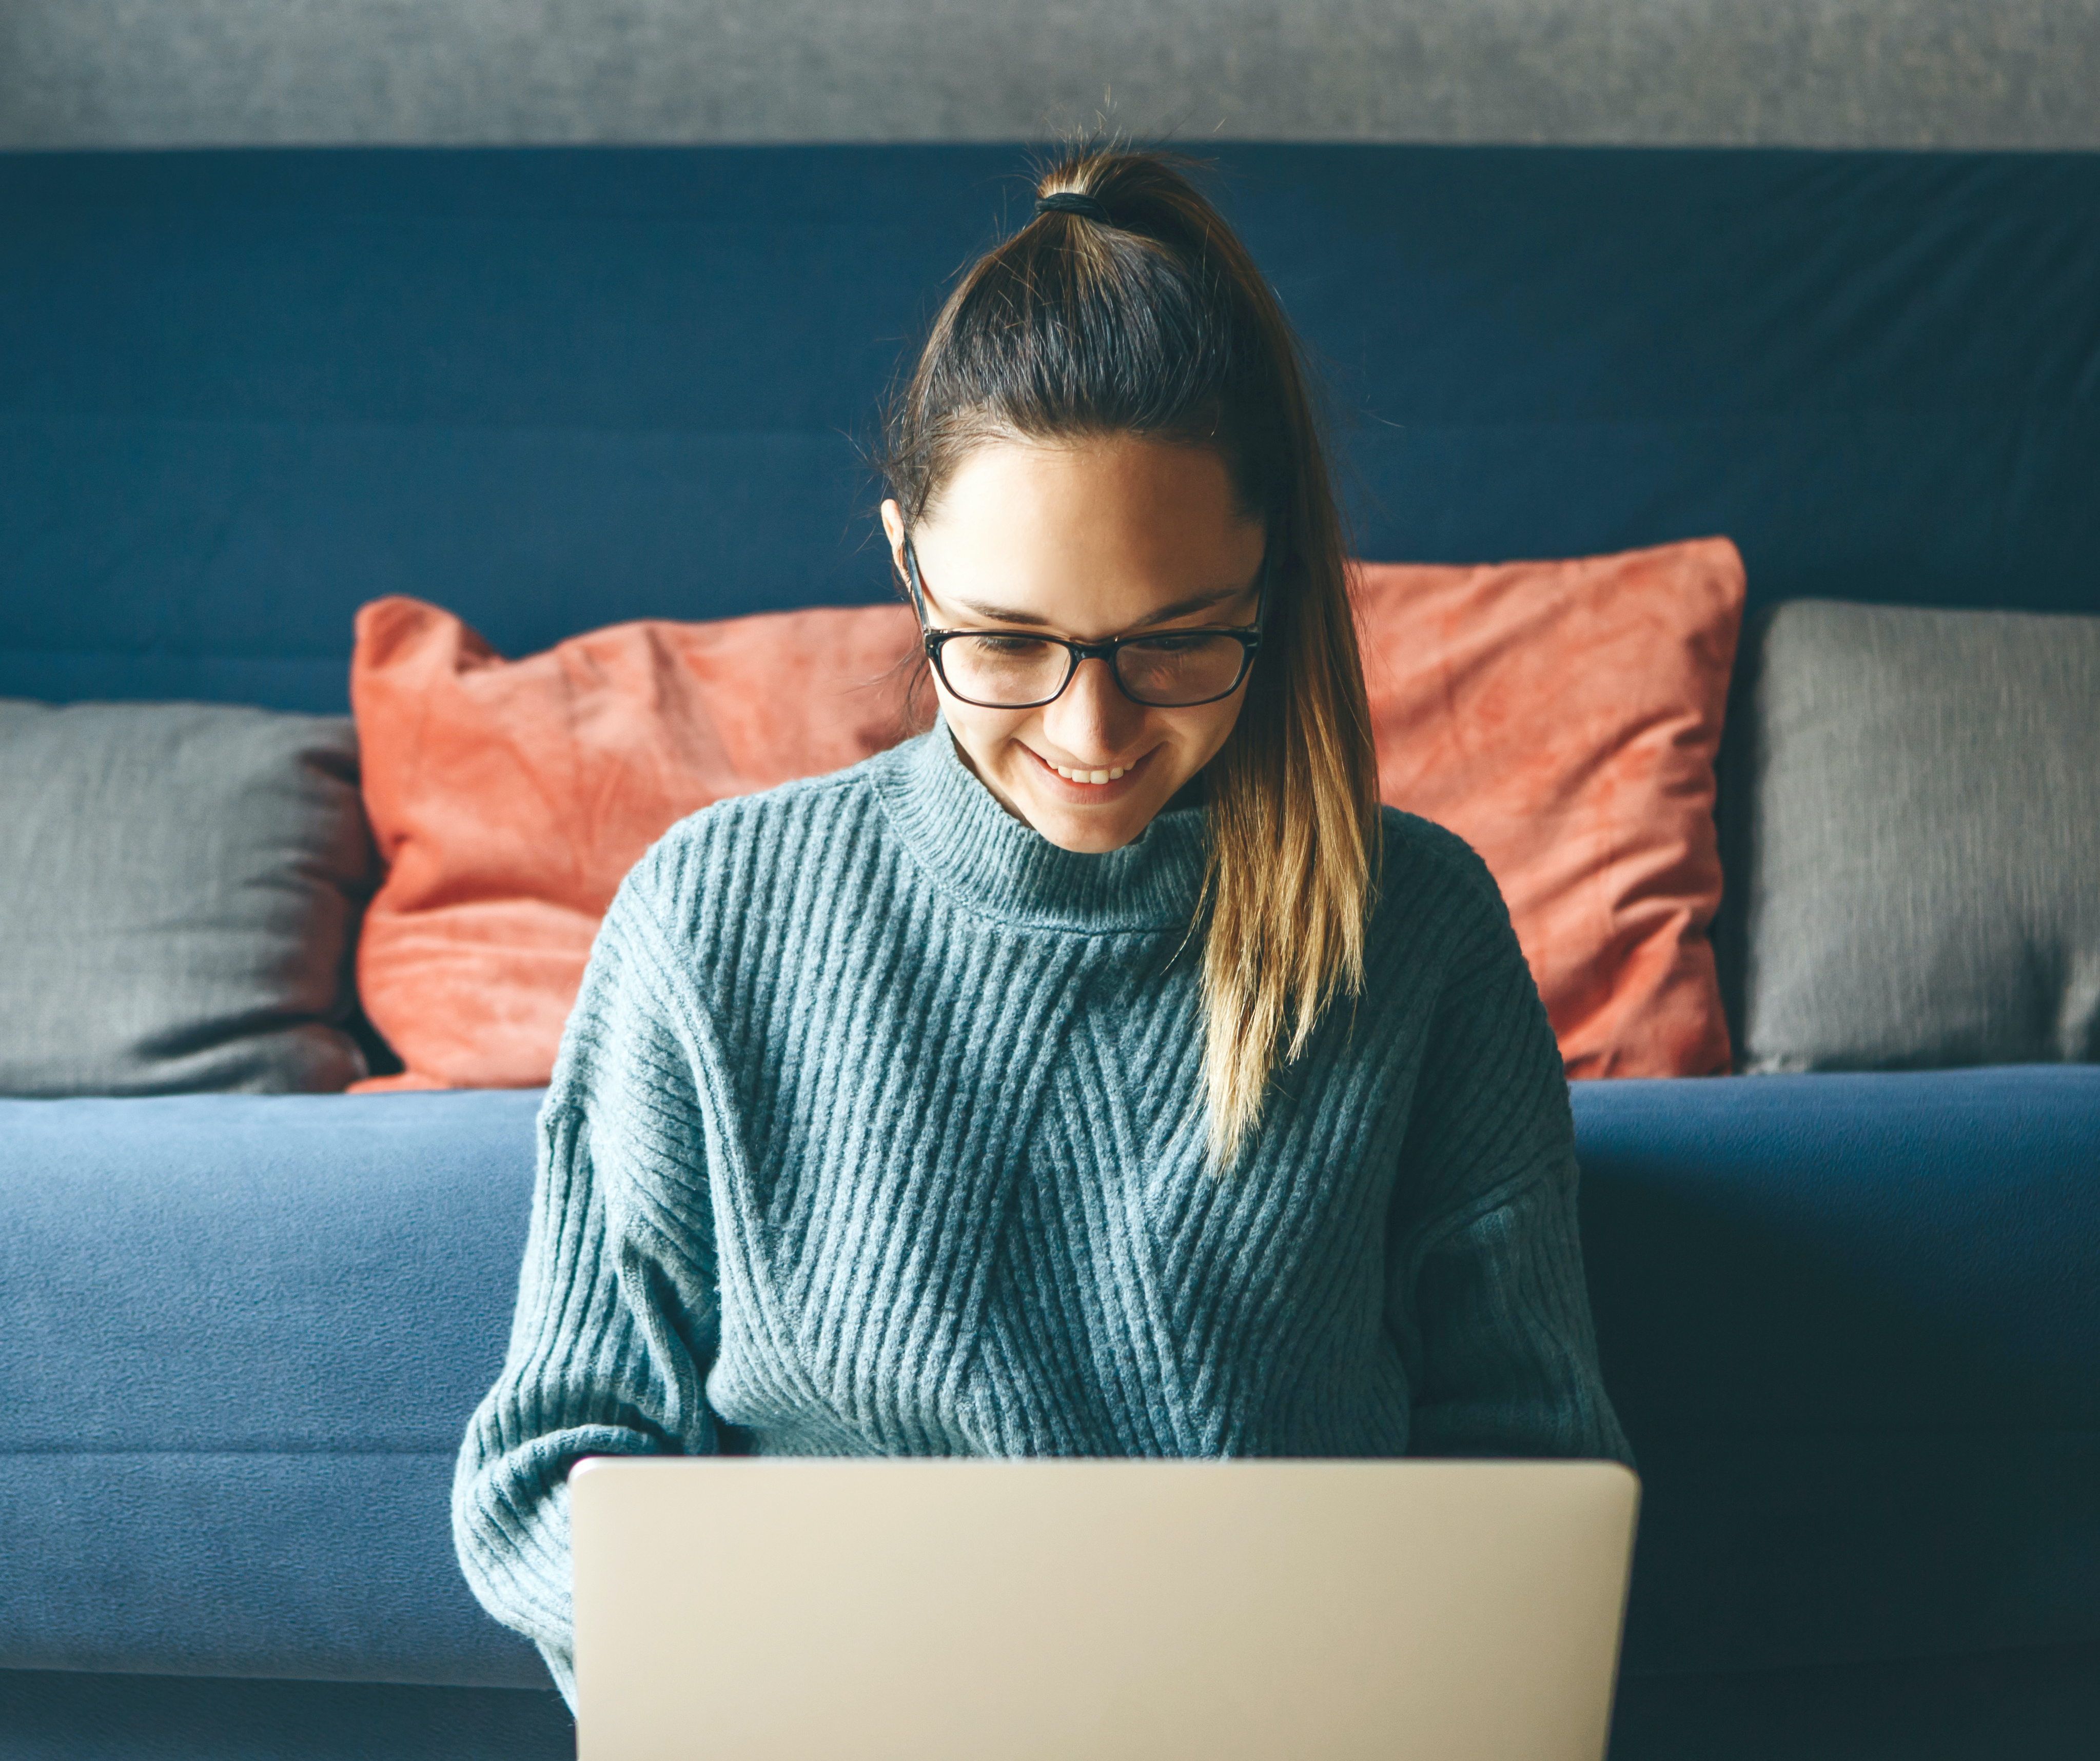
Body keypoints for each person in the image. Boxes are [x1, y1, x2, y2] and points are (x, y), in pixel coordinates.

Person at [454, 146, 1630, 1706]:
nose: (1092, 726)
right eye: (1004, 642)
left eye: (1172, 643)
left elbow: (1529, 1474)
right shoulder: (710, 918)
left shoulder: (1411, 935)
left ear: (1268, 586)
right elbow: (547, 1467)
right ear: (905, 562)